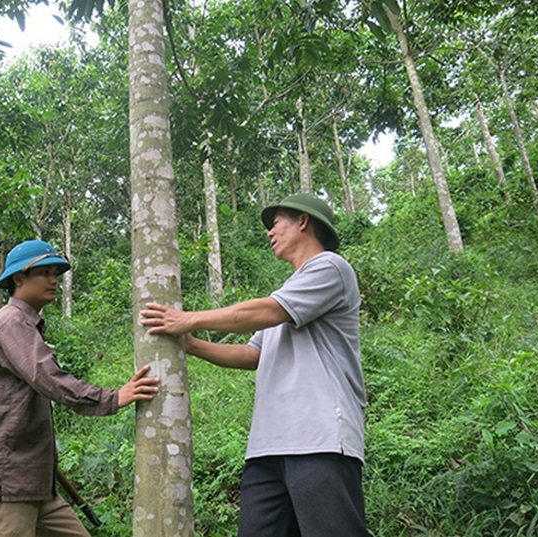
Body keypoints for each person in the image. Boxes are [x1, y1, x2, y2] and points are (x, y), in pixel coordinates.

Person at [140, 193, 368, 537]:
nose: (269, 233)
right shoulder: (289, 291)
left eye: (275, 224)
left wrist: (188, 318)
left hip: (318, 438)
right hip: (267, 447)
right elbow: (253, 355)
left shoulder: (330, 267)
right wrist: (192, 345)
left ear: (302, 221)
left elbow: (267, 311)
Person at [0, 239, 160, 537]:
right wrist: (113, 398)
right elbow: (48, 377)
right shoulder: (9, 323)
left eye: (55, 273)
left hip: (32, 482)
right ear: (19, 279)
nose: (53, 280)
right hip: (3, 482)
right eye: (44, 272)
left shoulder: (25, 325)